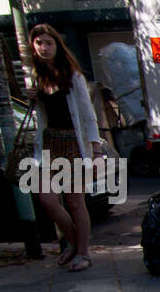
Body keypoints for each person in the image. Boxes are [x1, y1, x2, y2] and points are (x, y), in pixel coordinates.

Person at [25, 22, 103, 272]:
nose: (44, 48)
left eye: (49, 43)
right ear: (33, 46)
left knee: (74, 201)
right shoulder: (36, 76)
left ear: (58, 45)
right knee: (46, 199)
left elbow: (88, 115)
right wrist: (31, 99)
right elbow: (40, 117)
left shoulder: (73, 75)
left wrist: (96, 150)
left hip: (73, 144)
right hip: (49, 144)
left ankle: (83, 252)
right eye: (39, 43)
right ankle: (72, 242)